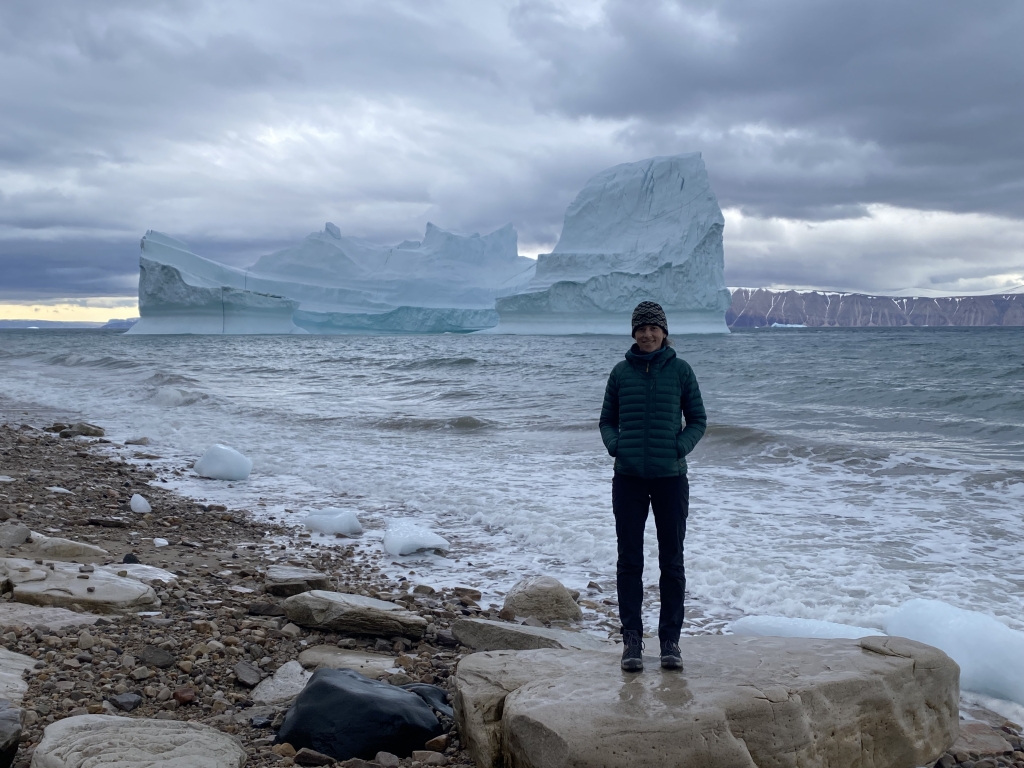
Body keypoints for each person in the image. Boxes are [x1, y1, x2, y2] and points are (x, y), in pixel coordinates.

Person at [599, 301, 707, 672]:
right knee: (630, 560)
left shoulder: (681, 371)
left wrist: (678, 446)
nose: (647, 335)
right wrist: (617, 445)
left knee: (671, 561)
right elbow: (606, 421)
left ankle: (670, 643)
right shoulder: (619, 373)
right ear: (633, 333)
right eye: (641, 329)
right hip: (628, 477)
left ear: (664, 332)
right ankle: (631, 640)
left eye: (653, 328)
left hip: (670, 478)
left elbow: (698, 419)